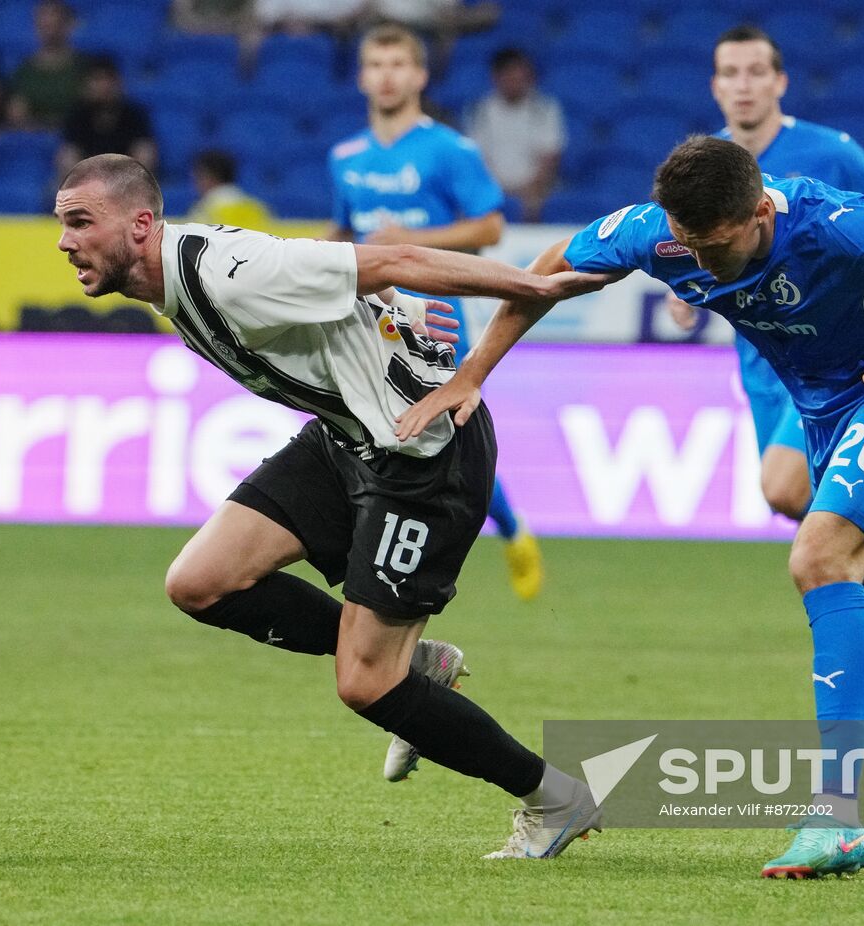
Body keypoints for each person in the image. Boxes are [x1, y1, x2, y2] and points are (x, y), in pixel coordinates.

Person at [395, 135, 864, 878]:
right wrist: (472, 375)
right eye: (687, 245)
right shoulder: (658, 235)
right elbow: (550, 271)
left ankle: (836, 819)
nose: (697, 262)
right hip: (827, 421)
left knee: (819, 557)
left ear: (759, 211)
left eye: (714, 247)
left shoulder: (838, 227)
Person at [53, 153, 612, 859]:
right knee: (200, 583)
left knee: (364, 683)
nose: (65, 241)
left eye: (80, 222)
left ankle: (553, 797)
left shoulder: (230, 272)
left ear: (140, 225)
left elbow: (394, 258)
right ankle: (420, 665)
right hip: (345, 442)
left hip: (422, 455)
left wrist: (533, 285)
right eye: (61, 224)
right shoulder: (171, 277)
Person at [672, 25, 864, 722]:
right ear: (715, 85)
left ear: (780, 82)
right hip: (763, 364)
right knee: (799, 506)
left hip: (837, 357)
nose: (745, 83)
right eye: (732, 72)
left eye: (758, 71)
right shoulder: (702, 165)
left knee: (786, 488)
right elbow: (684, 250)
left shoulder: (831, 153)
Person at [327, 24, 543, 622]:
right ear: (362, 75)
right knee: (372, 433)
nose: (388, 74)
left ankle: (507, 525)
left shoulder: (450, 150)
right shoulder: (344, 157)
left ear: (420, 75)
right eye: (377, 63)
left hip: (439, 317)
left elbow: (491, 227)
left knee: (443, 437)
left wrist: (410, 243)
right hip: (370, 318)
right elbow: (344, 234)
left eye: (400, 63)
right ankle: (381, 547)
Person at [465, 47, 566, 222]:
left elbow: (550, 157)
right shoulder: (479, 111)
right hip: (491, 190)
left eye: (520, 77)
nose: (515, 82)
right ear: (496, 77)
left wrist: (530, 192)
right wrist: (497, 192)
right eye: (509, 77)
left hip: (535, 193)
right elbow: (477, 158)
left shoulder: (545, 109)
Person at [57, 58, 157, 176]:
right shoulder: (77, 116)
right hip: (88, 180)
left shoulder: (134, 115)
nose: (104, 86)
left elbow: (144, 153)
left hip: (127, 181)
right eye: (97, 80)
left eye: (109, 79)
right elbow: (70, 155)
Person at [5, 0, 90, 130]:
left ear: (67, 26)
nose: (49, 31)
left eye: (55, 24)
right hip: (34, 138)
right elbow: (17, 114)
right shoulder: (24, 71)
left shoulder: (84, 67)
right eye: (44, 25)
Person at [186, 150, 274, 228]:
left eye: (197, 177)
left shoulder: (204, 210)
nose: (195, 183)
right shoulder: (257, 207)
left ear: (207, 176)